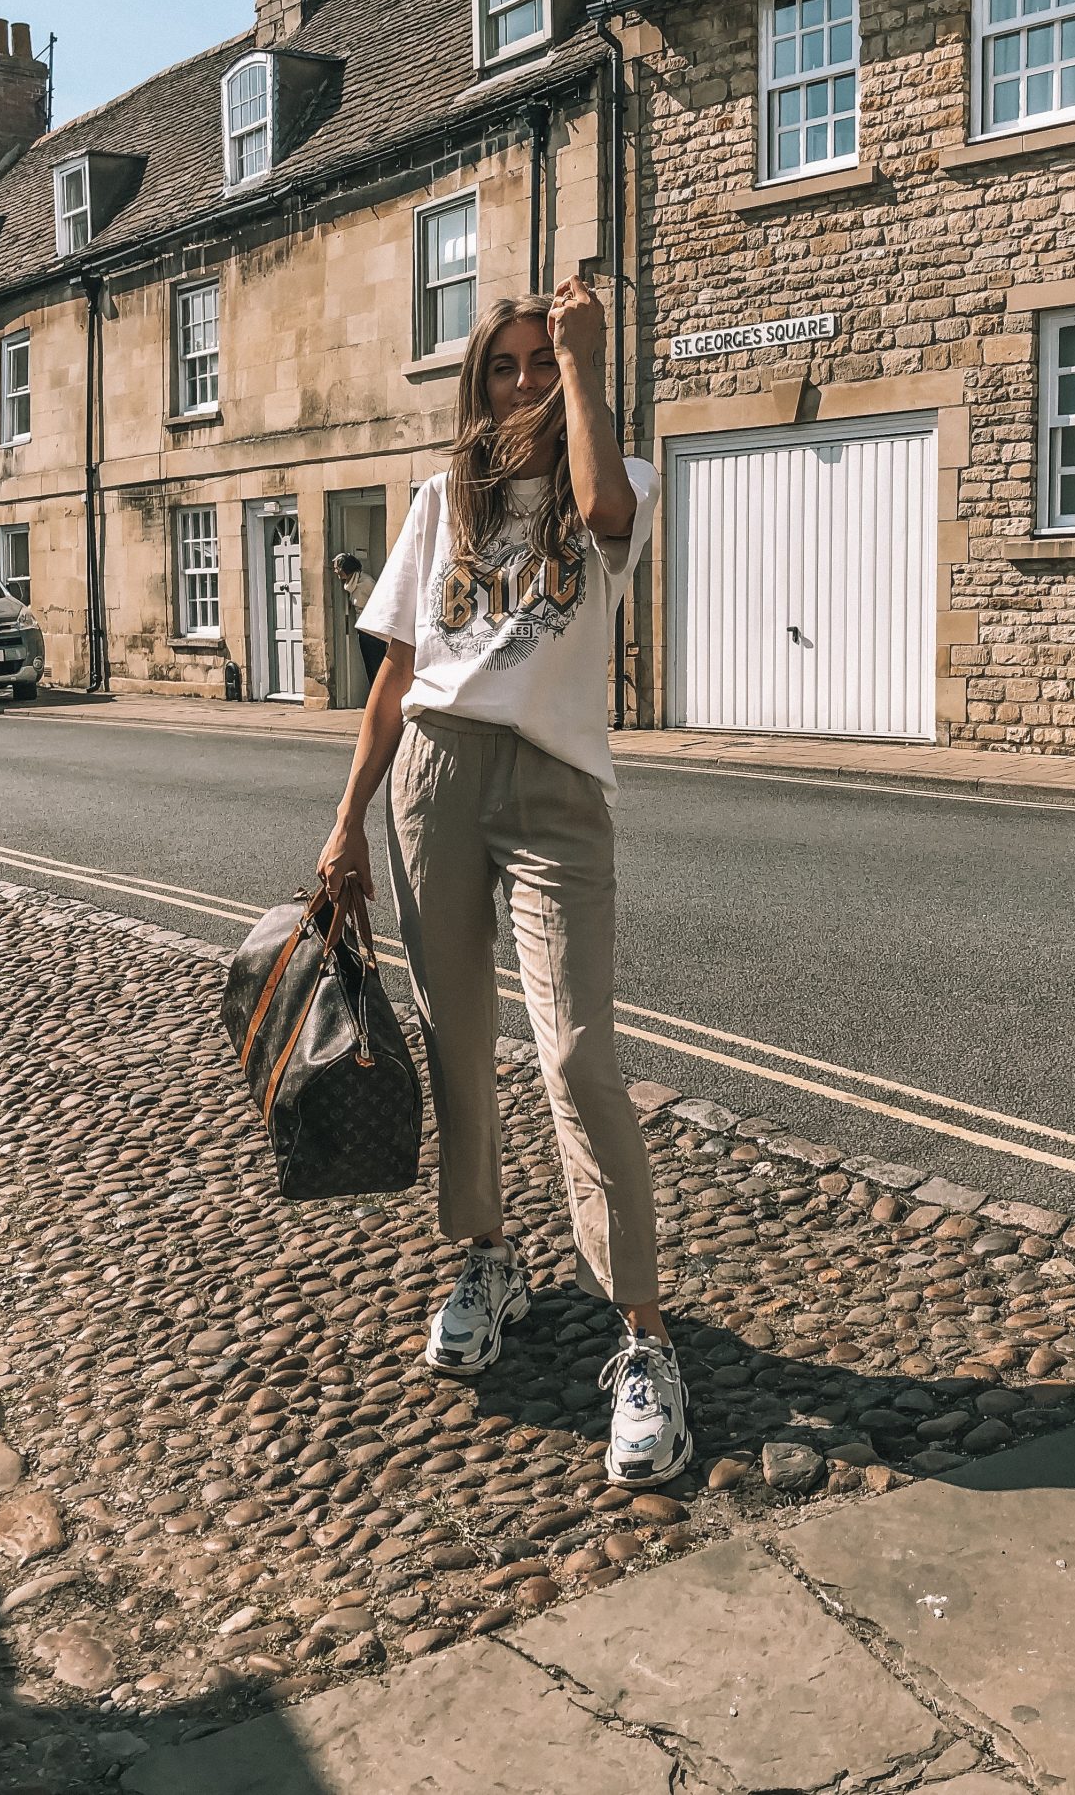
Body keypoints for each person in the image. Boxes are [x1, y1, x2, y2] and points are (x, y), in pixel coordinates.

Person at [315, 278, 689, 1488]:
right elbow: (397, 679)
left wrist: (586, 359)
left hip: (556, 793)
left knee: (578, 1056)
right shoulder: (437, 503)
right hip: (432, 779)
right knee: (455, 1042)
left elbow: (600, 500)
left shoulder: (606, 488)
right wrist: (346, 825)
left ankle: (642, 1339)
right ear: (474, 381)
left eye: (542, 362)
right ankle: (484, 1255)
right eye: (507, 365)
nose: (524, 381)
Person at [331, 552, 385, 693]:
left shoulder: (366, 583)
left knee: (376, 665)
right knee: (369, 665)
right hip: (363, 630)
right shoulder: (351, 584)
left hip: (373, 631)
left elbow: (380, 605)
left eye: (338, 568)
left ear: (346, 568)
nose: (336, 571)